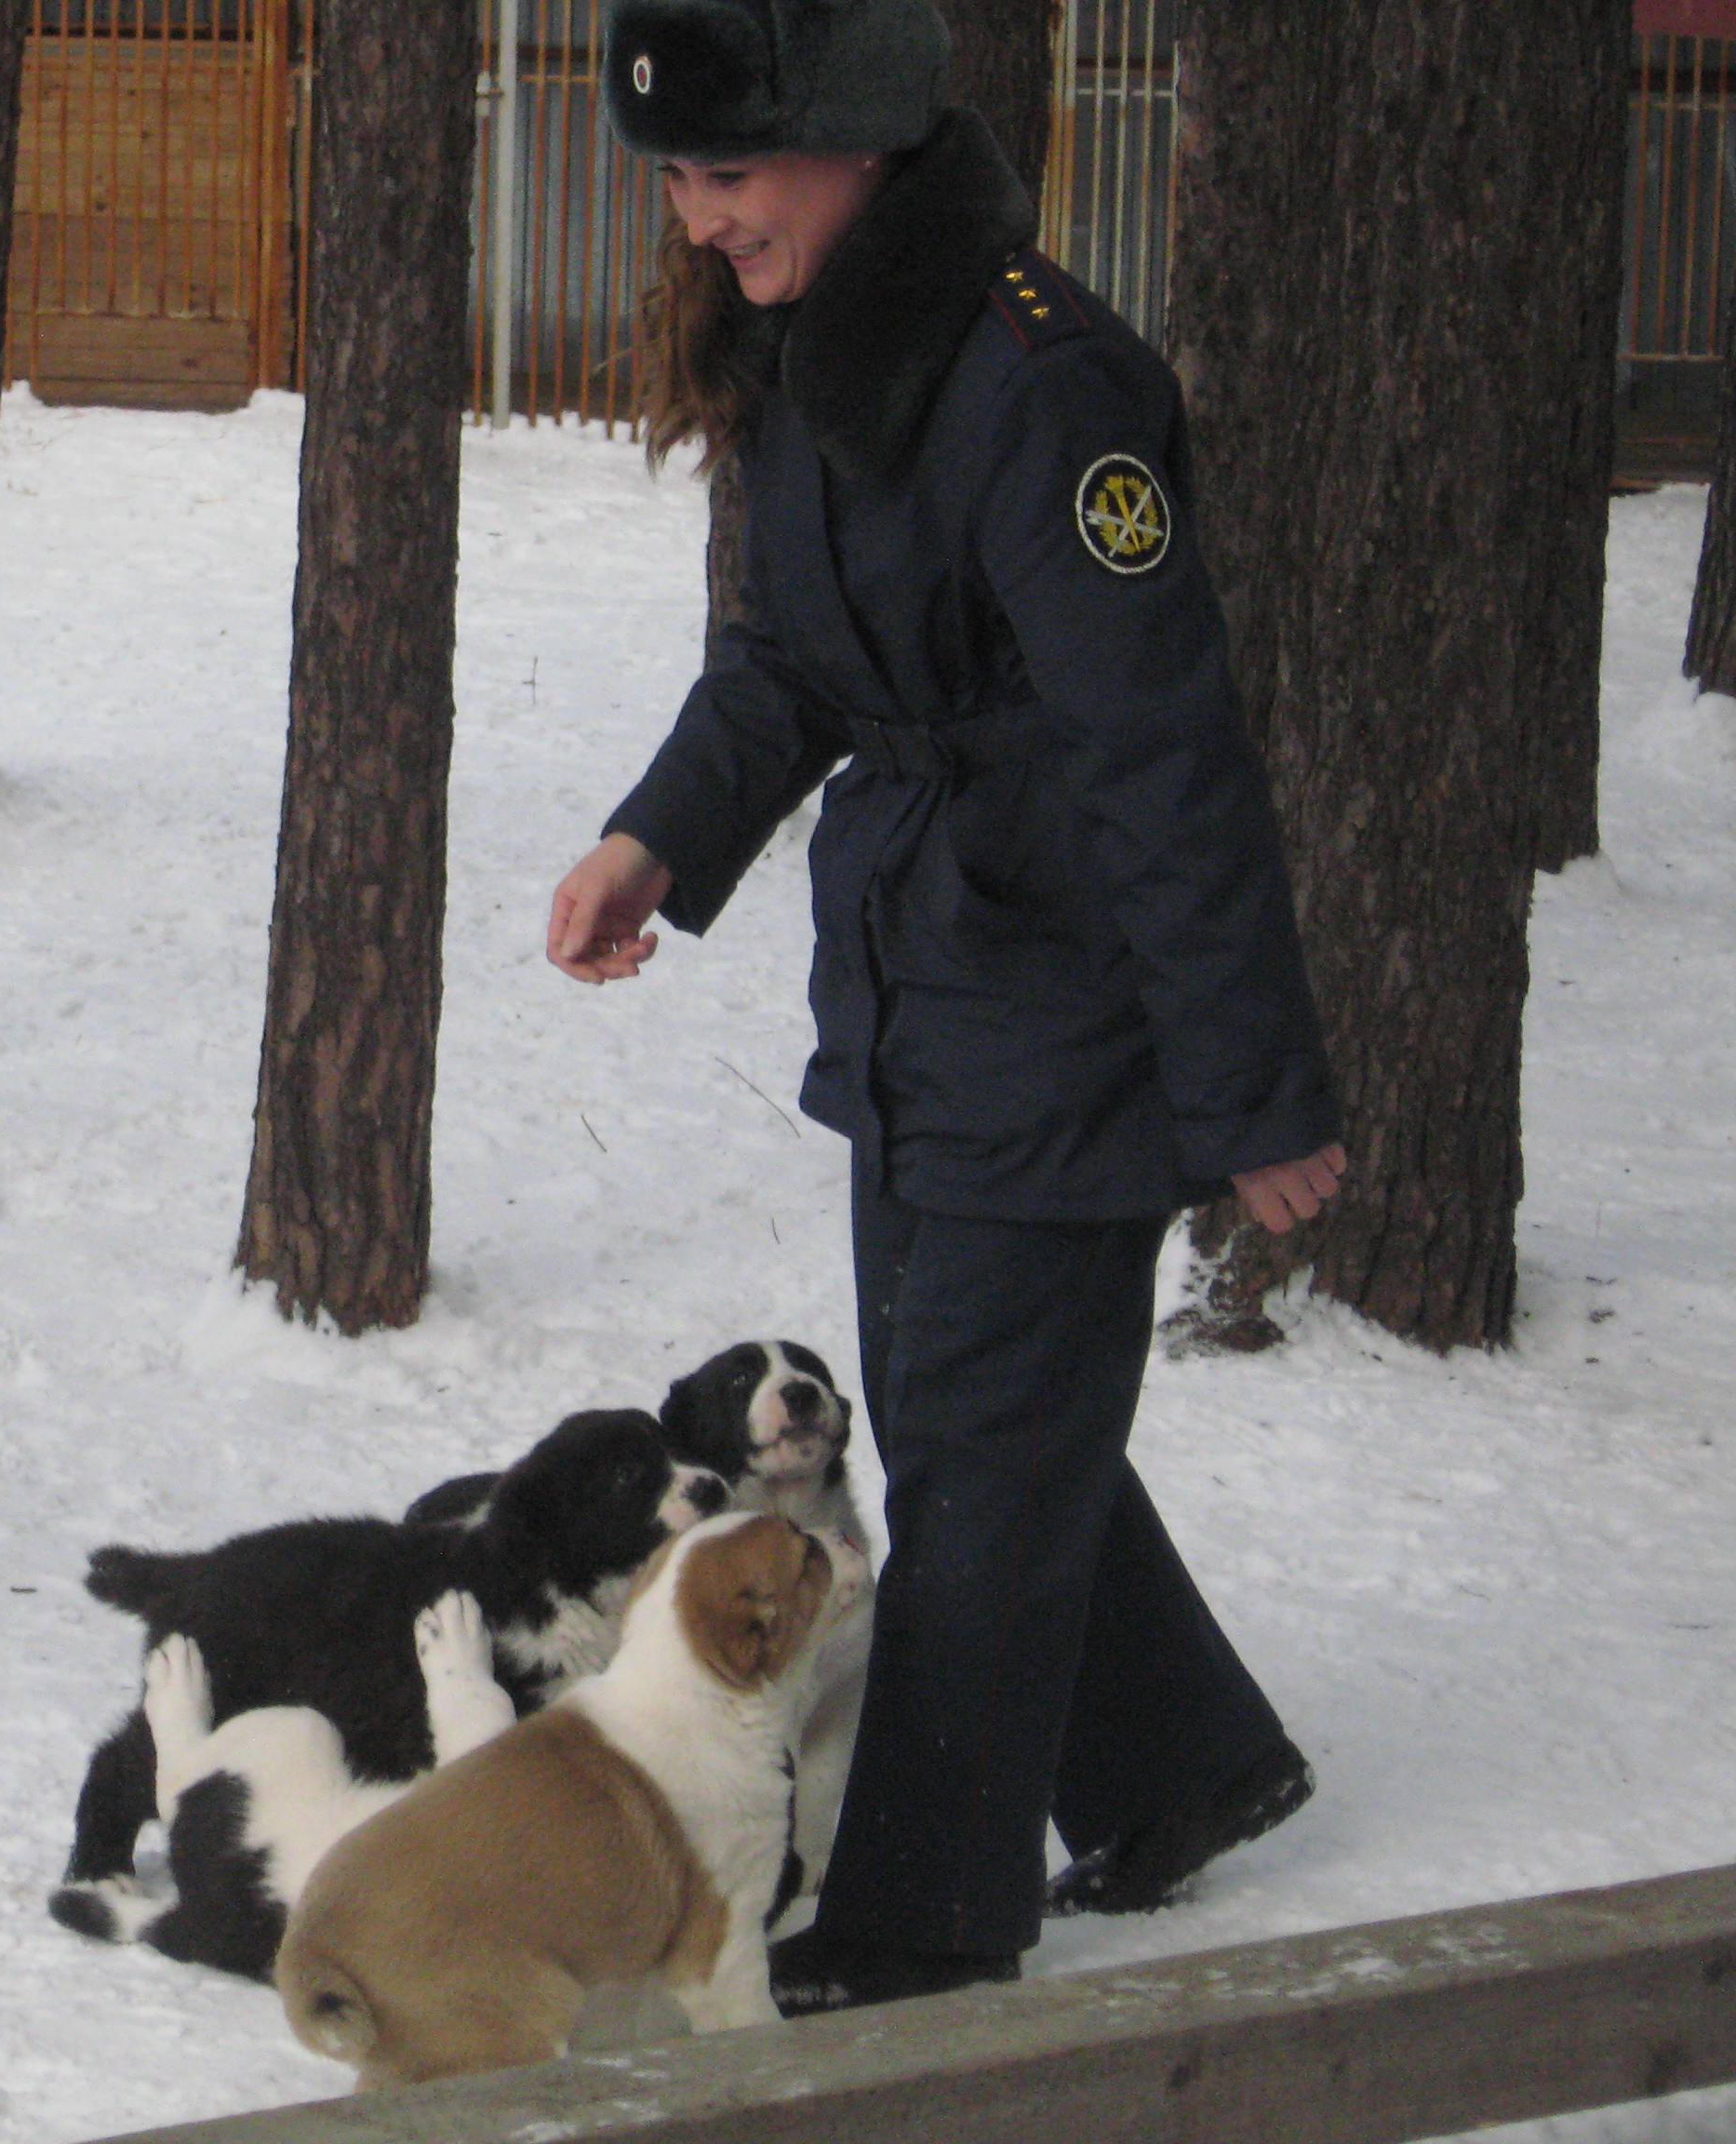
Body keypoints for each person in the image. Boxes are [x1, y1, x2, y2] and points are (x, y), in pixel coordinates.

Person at [550, 0, 1349, 2014]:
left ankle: (921, 1927)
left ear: (855, 139)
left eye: (727, 173)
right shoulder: (830, 346)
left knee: (982, 1467)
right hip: (921, 975)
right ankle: (1183, 1764)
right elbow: (795, 664)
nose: (696, 219)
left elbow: (1164, 755)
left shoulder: (1043, 388)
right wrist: (659, 838)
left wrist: (1251, 1090)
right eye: (678, 176)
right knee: (959, 1408)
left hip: (1063, 989)